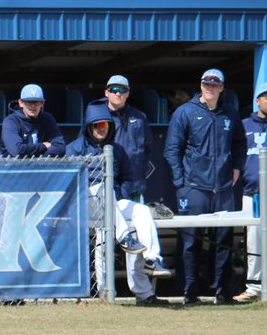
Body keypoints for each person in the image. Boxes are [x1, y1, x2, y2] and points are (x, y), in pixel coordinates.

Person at [67, 102, 172, 306]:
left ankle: (152, 261)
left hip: (112, 206)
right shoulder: (74, 148)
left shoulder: (117, 149)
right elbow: (69, 182)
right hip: (86, 206)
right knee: (102, 191)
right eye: (96, 126)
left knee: (141, 211)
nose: (100, 129)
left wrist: (119, 197)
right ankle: (105, 288)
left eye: (105, 125)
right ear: (88, 126)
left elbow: (127, 179)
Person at [164, 68, 248, 305]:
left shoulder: (230, 114)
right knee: (190, 242)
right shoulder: (185, 112)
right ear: (200, 86)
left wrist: (237, 168)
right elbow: (172, 150)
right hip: (194, 189)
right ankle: (189, 292)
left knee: (223, 241)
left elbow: (240, 144)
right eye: (206, 84)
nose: (210, 88)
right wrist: (181, 184)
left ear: (222, 88)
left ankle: (222, 291)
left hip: (222, 189)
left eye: (215, 84)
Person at [234, 83, 267, 302]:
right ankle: (254, 287)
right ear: (257, 101)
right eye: (265, 97)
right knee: (254, 240)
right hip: (252, 193)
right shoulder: (244, 125)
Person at [100, 74, 155, 201]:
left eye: (122, 90)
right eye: (114, 90)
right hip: (107, 187)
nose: (118, 94)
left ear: (128, 93)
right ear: (106, 93)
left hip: (134, 187)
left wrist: (139, 173)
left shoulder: (140, 117)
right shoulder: (97, 118)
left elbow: (148, 148)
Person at [0, 83, 65, 157]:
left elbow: (61, 148)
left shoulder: (47, 119)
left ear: (42, 103)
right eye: (29, 102)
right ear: (21, 103)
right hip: (10, 166)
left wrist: (40, 158)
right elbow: (17, 150)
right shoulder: (11, 121)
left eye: (36, 102)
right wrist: (43, 146)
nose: (33, 105)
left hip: (40, 166)